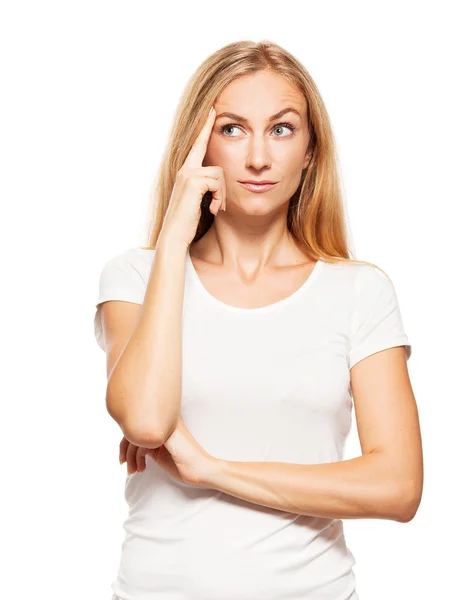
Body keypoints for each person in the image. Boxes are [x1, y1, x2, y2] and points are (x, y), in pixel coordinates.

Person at [94, 40, 423, 600]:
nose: (257, 158)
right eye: (231, 129)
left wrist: (210, 468)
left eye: (281, 129)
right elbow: (147, 422)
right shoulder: (134, 277)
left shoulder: (359, 291)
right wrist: (175, 233)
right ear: (198, 146)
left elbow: (397, 486)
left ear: (310, 151)